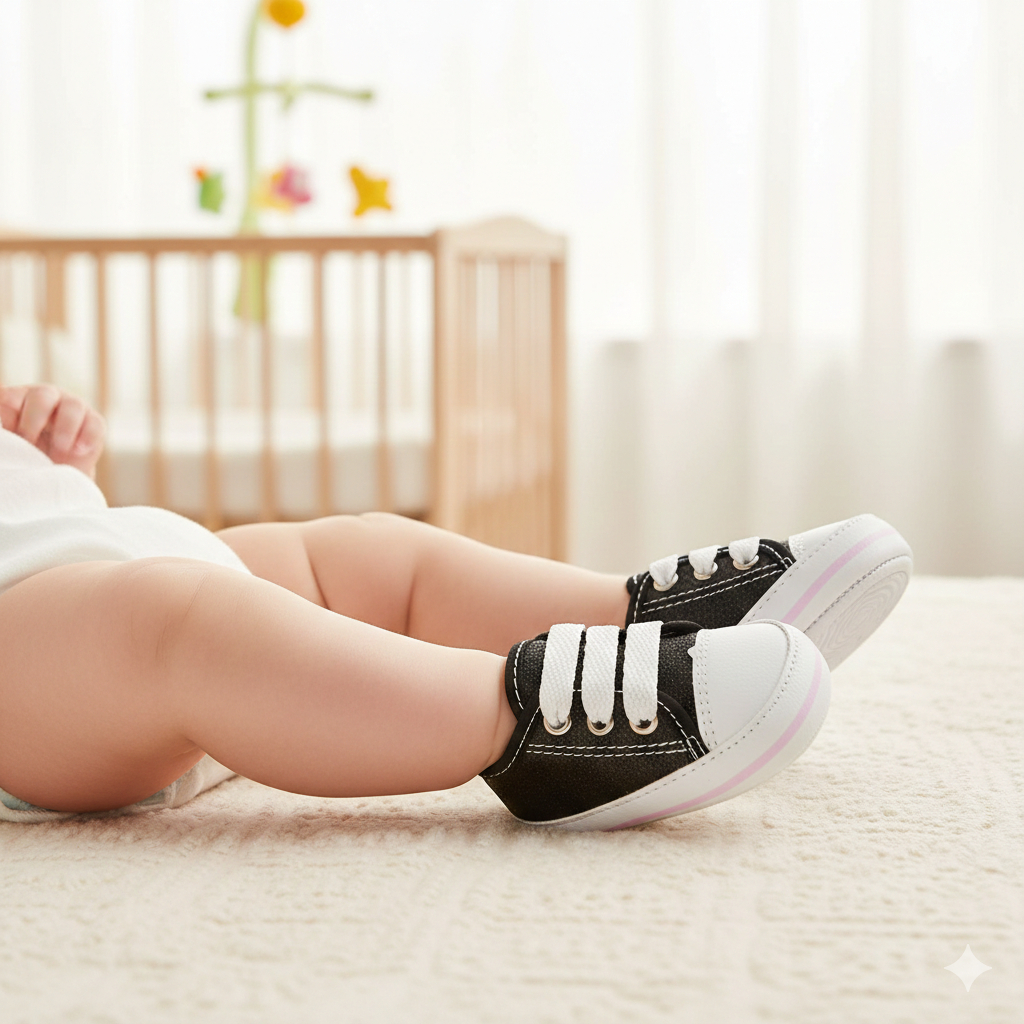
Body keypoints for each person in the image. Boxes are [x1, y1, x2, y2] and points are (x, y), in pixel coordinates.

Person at [0, 384, 911, 830]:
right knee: (180, 621)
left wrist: (55, 465)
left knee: (365, 553)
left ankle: (632, 618)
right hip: (35, 646)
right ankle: (529, 726)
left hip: (100, 552)